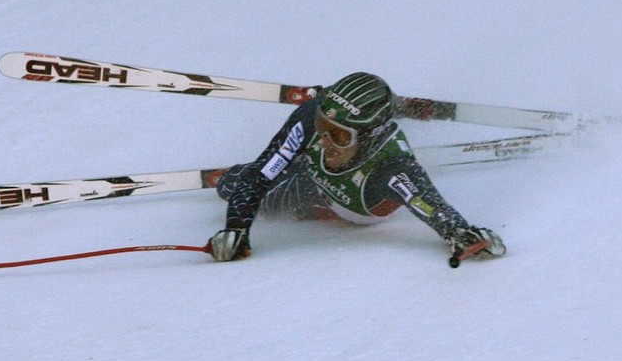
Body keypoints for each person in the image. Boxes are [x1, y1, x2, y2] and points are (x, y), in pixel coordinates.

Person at [207, 72, 506, 267]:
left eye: (338, 136)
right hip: (320, 174)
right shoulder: (312, 115)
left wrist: (464, 235)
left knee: (250, 194)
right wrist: (236, 230)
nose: (325, 140)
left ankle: (395, 107)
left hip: (340, 202)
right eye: (323, 127)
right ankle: (396, 106)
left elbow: (431, 206)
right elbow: (260, 173)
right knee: (235, 183)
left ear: (369, 137)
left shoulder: (393, 168)